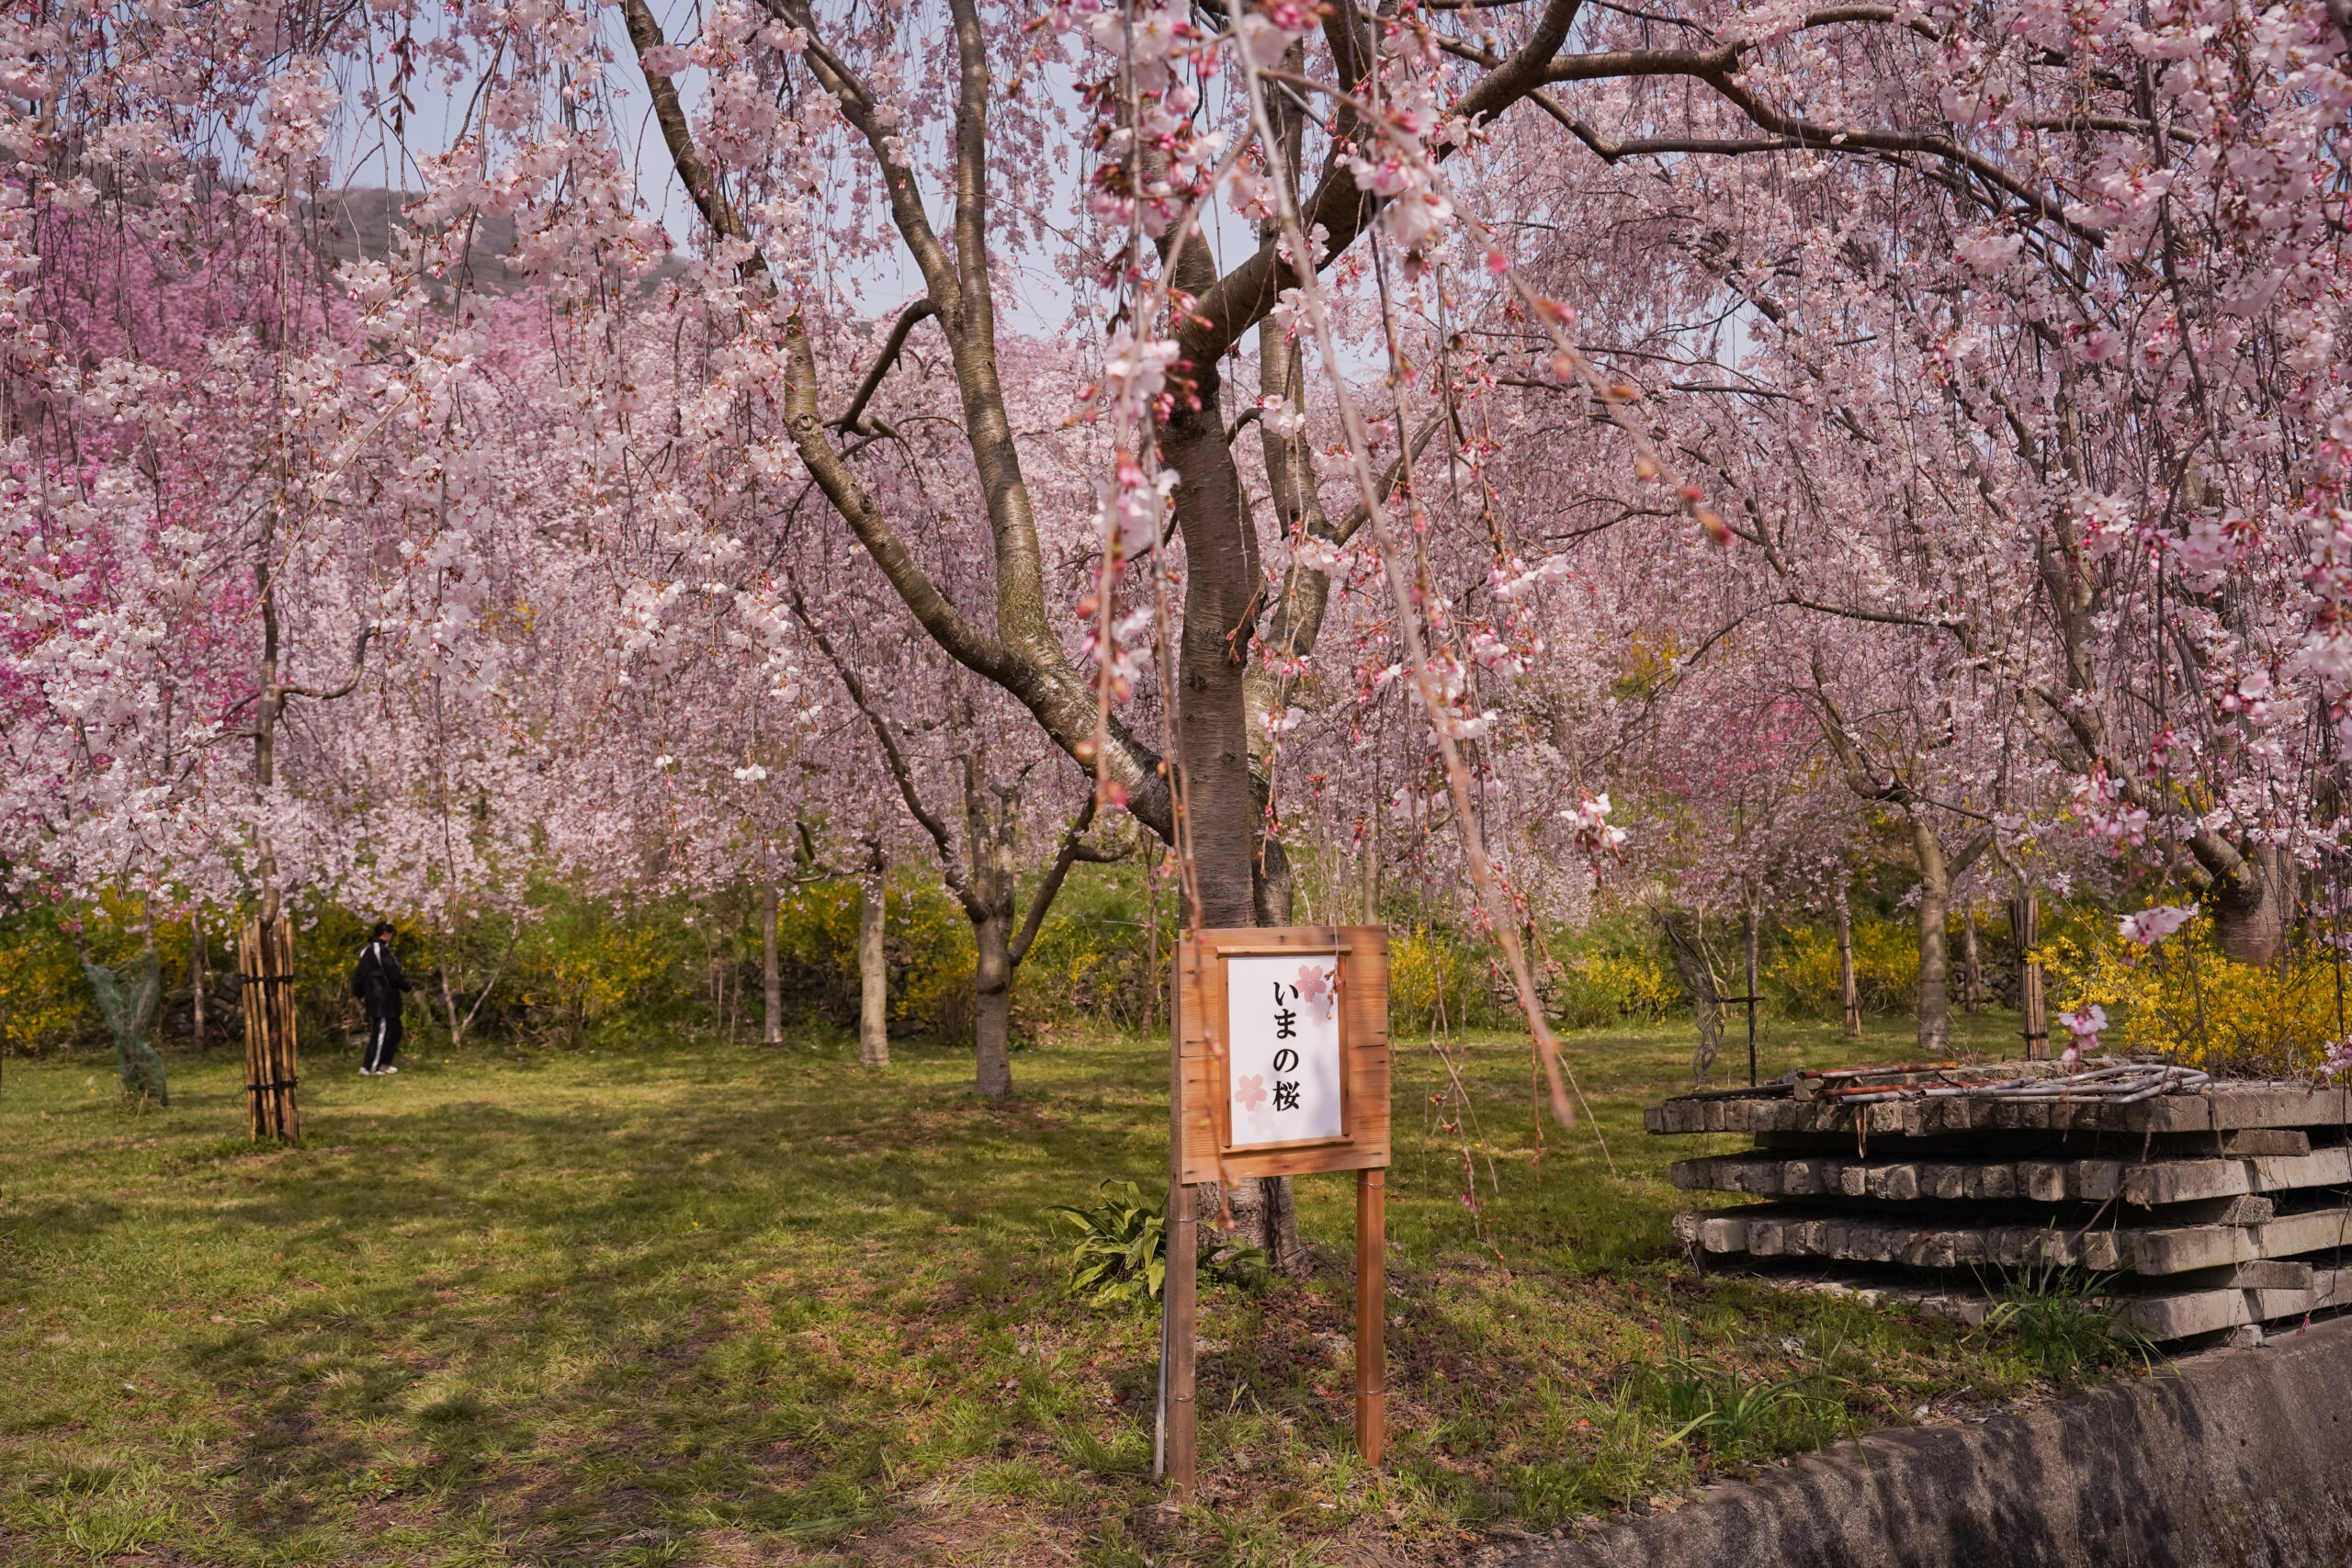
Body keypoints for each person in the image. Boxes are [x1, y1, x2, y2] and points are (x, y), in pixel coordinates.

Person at [351, 922, 413, 1076]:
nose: (392, 938)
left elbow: (360, 975)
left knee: (394, 1030)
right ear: (385, 933)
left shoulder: (381, 950)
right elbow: (393, 974)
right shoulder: (377, 950)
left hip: (388, 999)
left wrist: (358, 993)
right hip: (381, 999)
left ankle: (384, 1063)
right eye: (392, 934)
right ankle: (369, 1067)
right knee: (382, 1032)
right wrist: (408, 986)